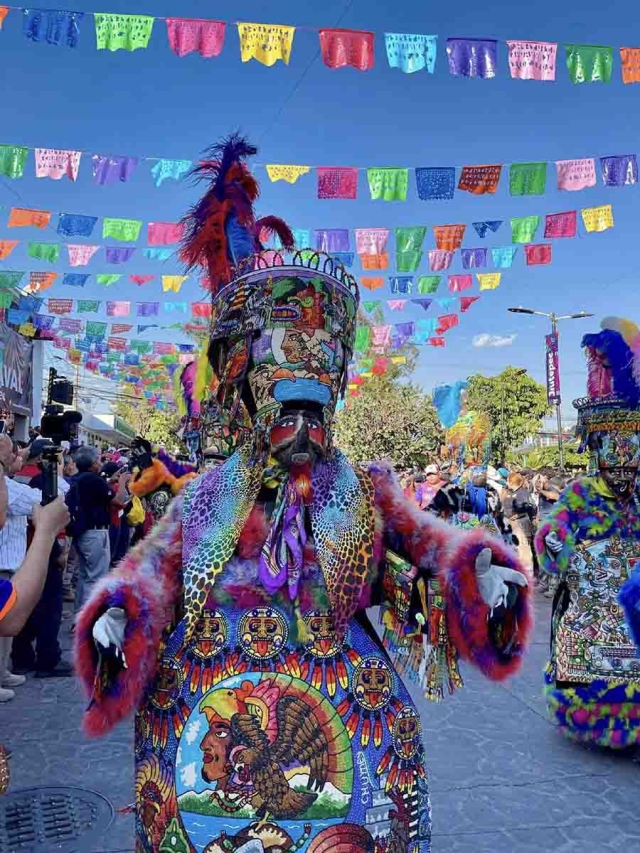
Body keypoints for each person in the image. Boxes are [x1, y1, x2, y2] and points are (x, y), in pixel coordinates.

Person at [74, 136, 531, 853]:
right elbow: (149, 575)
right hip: (206, 717)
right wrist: (116, 616)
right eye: (286, 410)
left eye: (315, 413)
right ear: (251, 400)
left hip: (345, 717)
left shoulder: (362, 488)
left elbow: (432, 543)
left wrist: (477, 570)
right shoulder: (205, 497)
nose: (302, 430)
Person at [536, 317, 640, 748]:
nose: (623, 467)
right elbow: (552, 531)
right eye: (613, 456)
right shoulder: (581, 493)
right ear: (597, 453)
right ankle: (599, 725)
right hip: (592, 605)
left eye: (631, 456)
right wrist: (558, 543)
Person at [0, 439, 71, 687]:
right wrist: (46, 533)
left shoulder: (12, 481)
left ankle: (4, 673)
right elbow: (52, 502)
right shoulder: (12, 486)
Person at [68, 445, 125, 615]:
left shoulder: (79, 478)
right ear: (93, 463)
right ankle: (88, 618)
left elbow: (96, 493)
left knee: (85, 577)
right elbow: (119, 501)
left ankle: (80, 616)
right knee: (95, 578)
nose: (101, 463)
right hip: (95, 533)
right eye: (99, 460)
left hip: (83, 532)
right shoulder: (94, 480)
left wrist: (110, 482)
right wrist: (122, 483)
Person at [501, 473, 537, 575]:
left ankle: (528, 573)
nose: (506, 482)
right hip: (511, 524)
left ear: (511, 482)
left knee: (524, 548)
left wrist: (518, 514)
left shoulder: (523, 492)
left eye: (508, 480)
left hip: (521, 523)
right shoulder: (510, 492)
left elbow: (531, 507)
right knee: (516, 548)